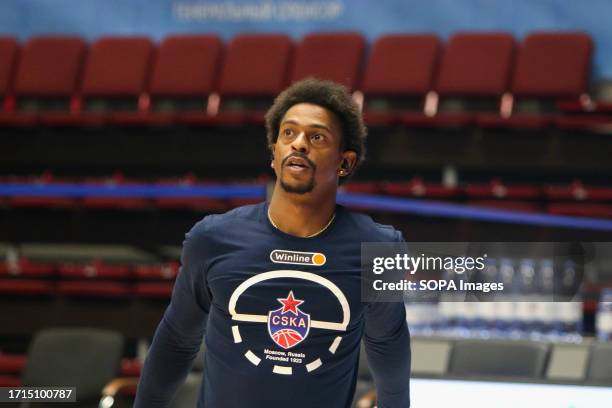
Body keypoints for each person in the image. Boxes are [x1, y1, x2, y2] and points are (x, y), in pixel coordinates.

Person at [134, 78, 411, 408]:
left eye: (316, 136)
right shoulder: (212, 238)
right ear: (274, 153)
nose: (299, 144)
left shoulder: (378, 248)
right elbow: (177, 341)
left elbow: (388, 346)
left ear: (344, 162)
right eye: (288, 133)